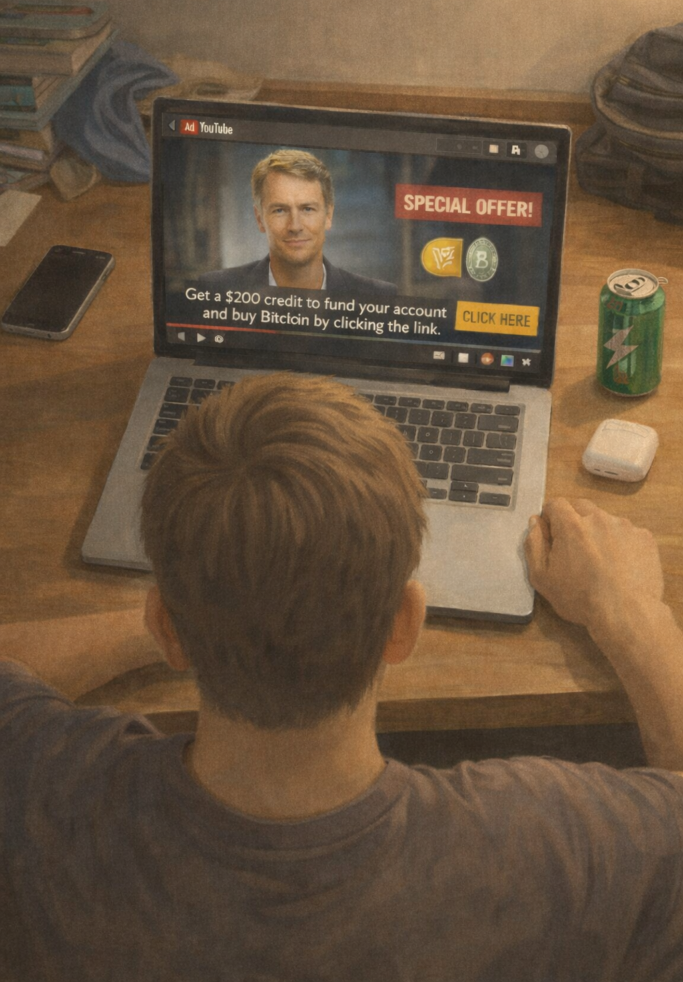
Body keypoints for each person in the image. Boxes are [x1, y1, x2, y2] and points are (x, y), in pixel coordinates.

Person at [1, 372, 683, 981]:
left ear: (164, 627)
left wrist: (216, 601)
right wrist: (628, 613)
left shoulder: (41, 787)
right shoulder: (556, 849)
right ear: (404, 624)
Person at [199, 149, 398, 296]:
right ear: (259, 219)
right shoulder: (216, 290)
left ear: (328, 215)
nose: (295, 226)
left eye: (307, 209)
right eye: (279, 210)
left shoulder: (378, 297)